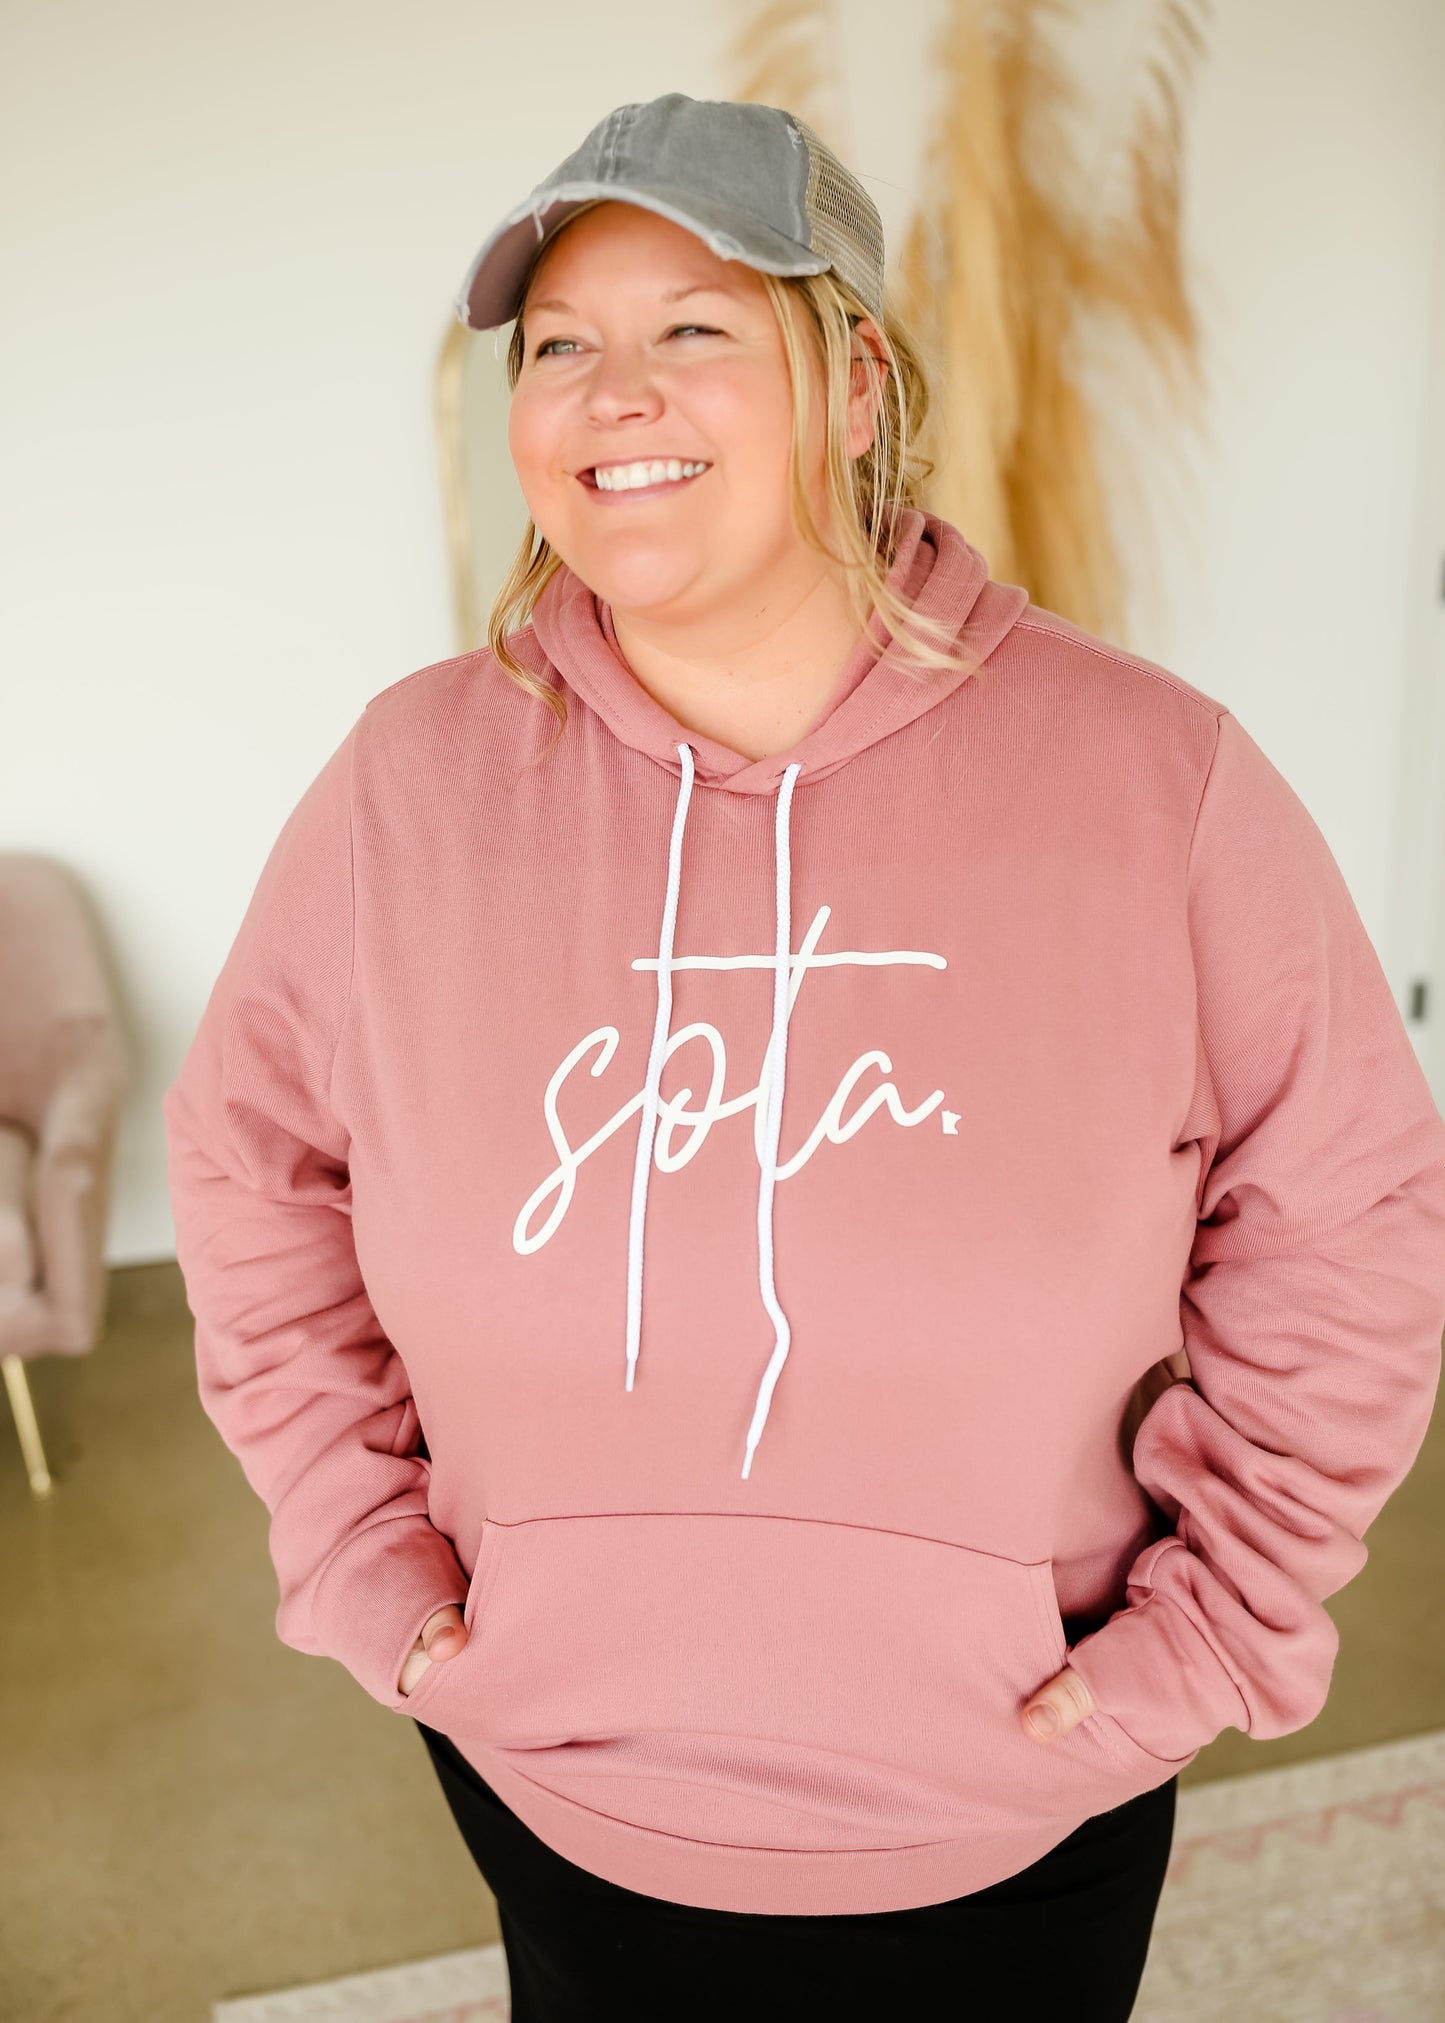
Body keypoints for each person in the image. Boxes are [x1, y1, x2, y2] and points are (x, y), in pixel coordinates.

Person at [163, 92, 1445, 2021]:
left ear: (853, 386)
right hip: (561, 1773)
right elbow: (249, 1166)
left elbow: (1345, 1220)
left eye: (692, 327)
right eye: (558, 347)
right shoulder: (408, 784)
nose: (612, 394)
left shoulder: (1153, 775)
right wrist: (366, 1561)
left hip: (1017, 1788)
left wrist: (1210, 1628)